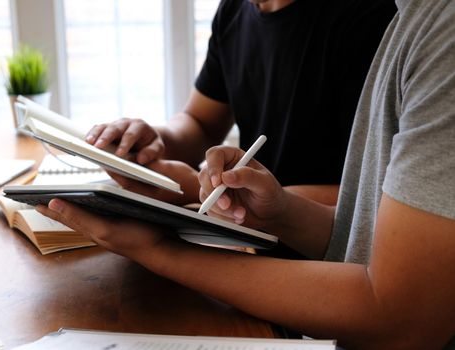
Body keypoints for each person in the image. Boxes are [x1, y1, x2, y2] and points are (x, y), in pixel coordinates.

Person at [37, 0, 455, 347]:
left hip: (326, 295)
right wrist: (278, 211)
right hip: (297, 270)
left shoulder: (403, 23)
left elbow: (402, 315)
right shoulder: (412, 20)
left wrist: (159, 248)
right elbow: (366, 223)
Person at [85, 0, 396, 206]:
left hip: (329, 262)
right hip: (252, 237)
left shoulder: (367, 18)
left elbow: (375, 195)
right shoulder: (234, 9)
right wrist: (156, 139)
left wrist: (201, 188)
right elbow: (201, 122)